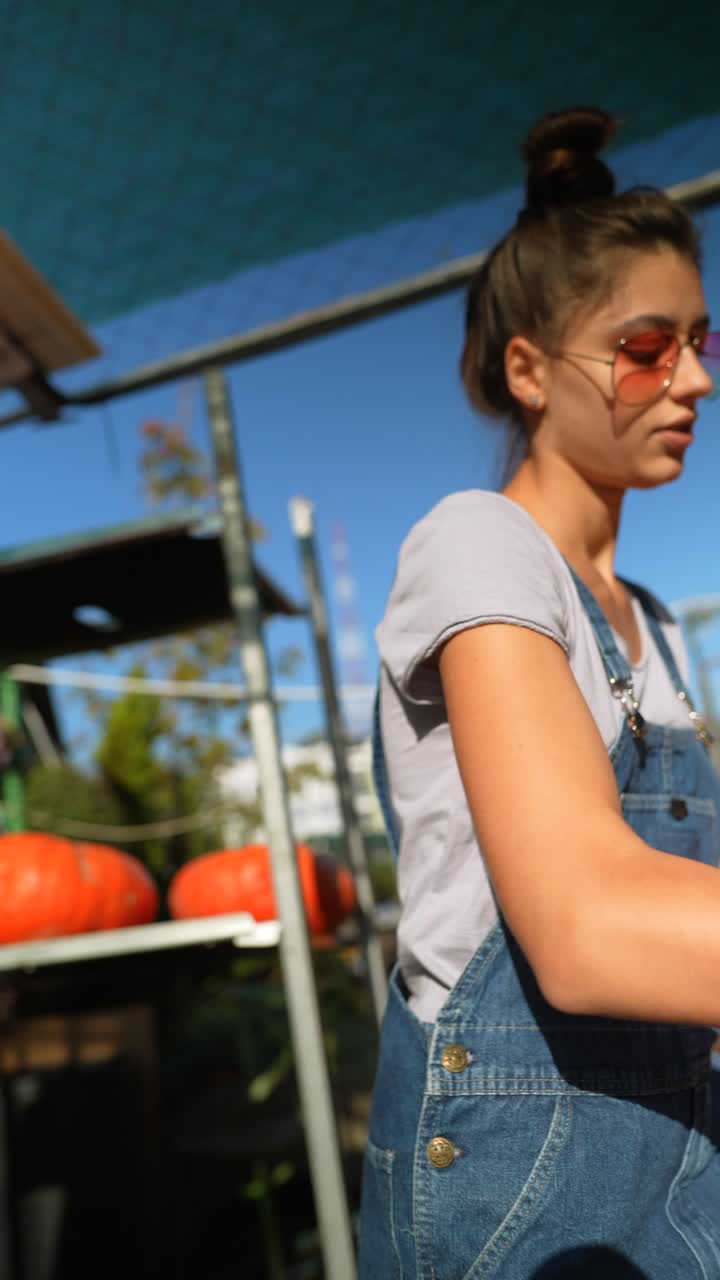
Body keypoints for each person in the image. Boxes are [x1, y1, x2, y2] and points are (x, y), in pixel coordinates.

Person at [357, 105, 720, 1280]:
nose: (697, 379)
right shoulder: (481, 545)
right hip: (526, 1209)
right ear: (528, 368)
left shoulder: (659, 628)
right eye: (649, 347)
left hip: (675, 1176)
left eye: (705, 340)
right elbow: (585, 923)